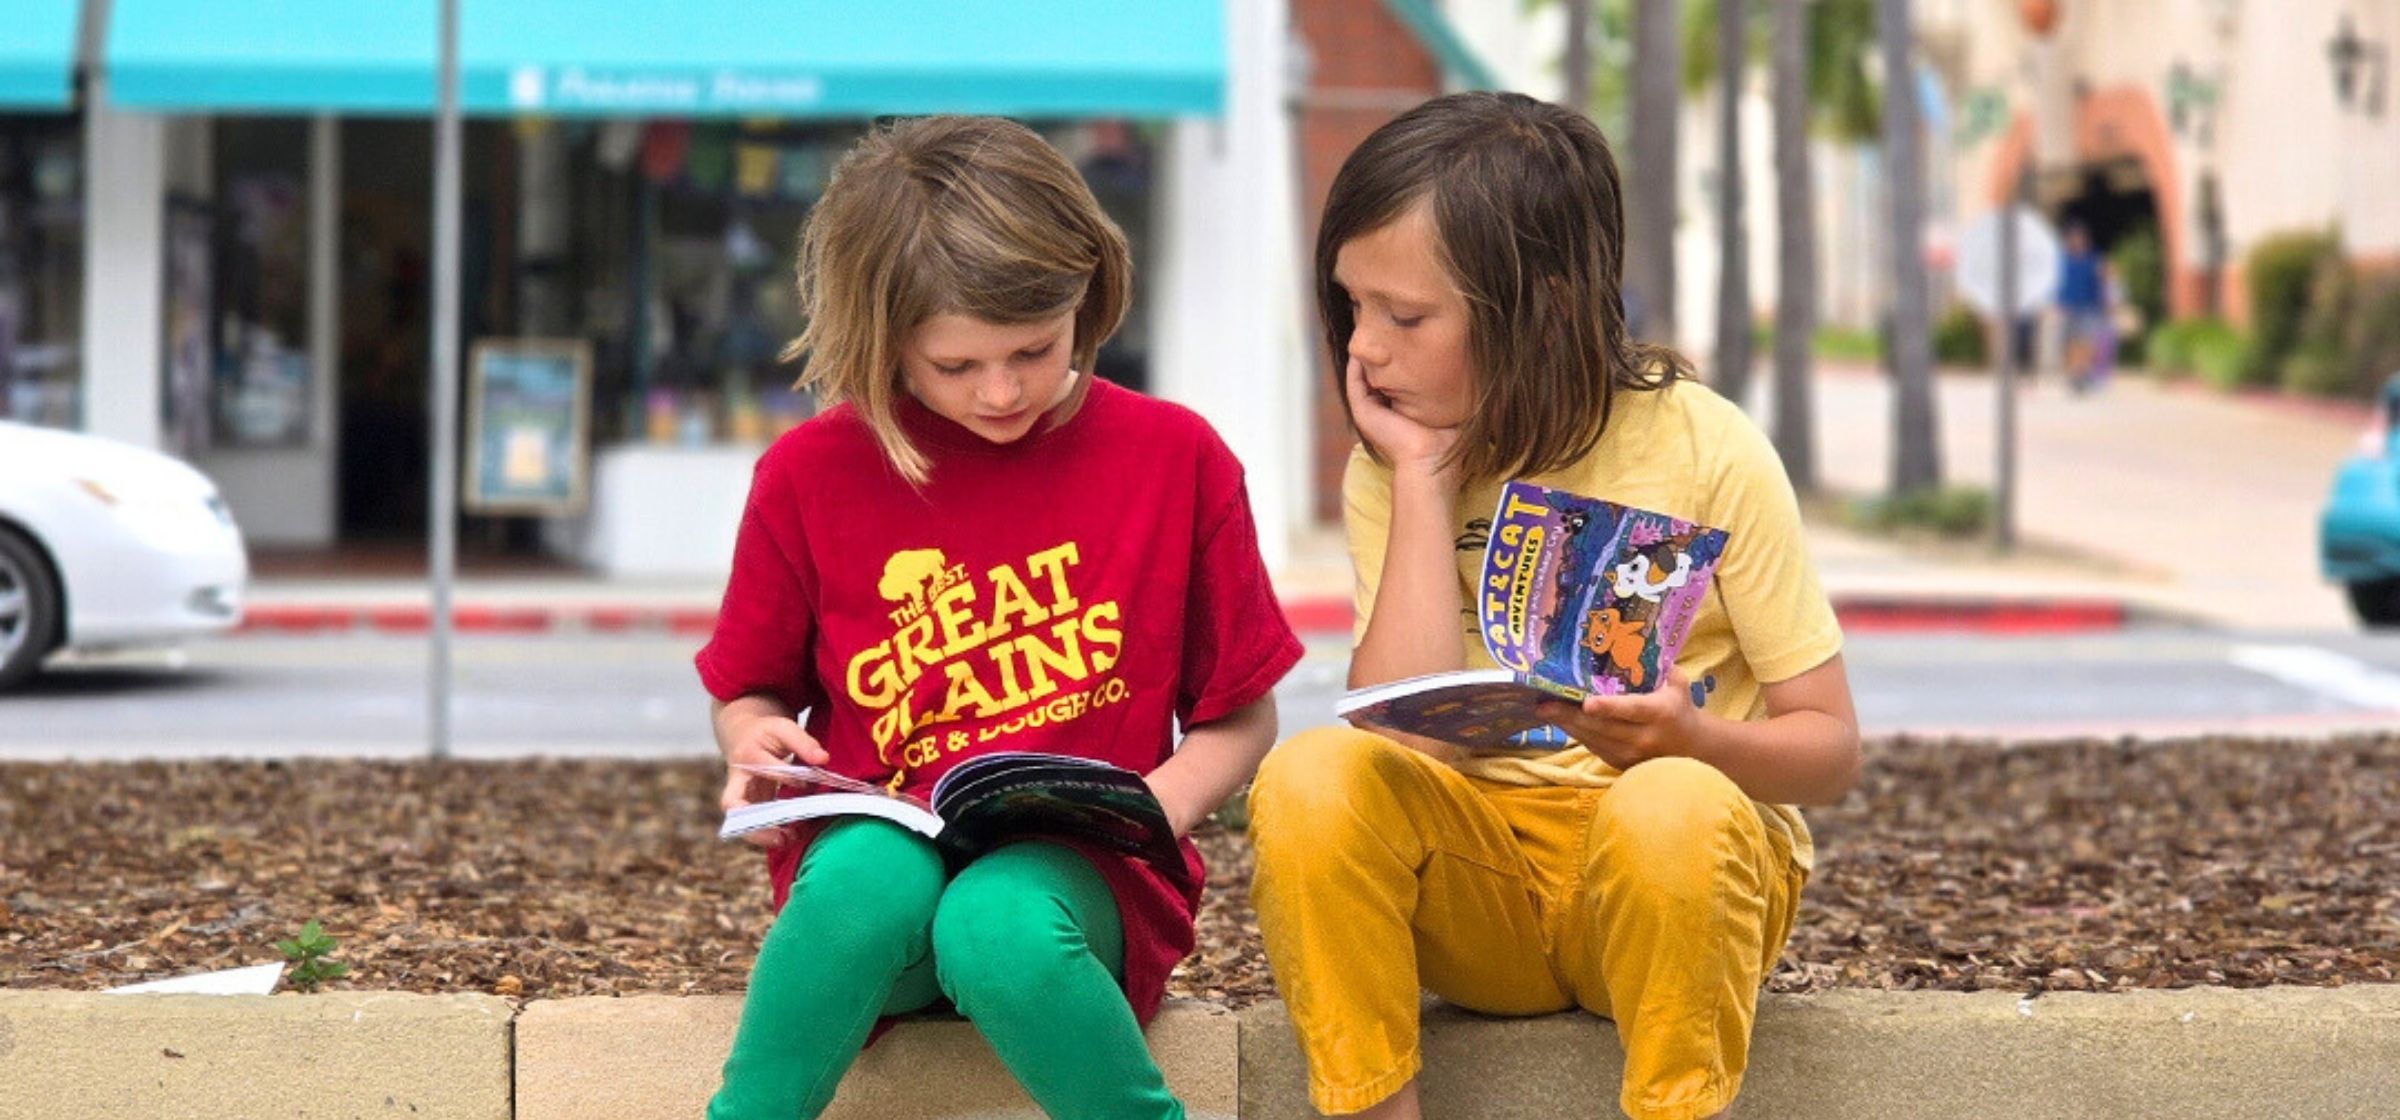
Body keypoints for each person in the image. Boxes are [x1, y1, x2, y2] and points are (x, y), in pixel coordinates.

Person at [1246, 91, 1862, 1120]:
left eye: (1404, 317)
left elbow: (1831, 749)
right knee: (1312, 771)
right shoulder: (1391, 470)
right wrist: (1423, 478)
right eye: (1352, 306)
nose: (1364, 348)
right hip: (1489, 885)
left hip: (1675, 886)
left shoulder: (1707, 449)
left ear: (1547, 308)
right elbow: (1408, 744)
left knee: (1671, 801)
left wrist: (1693, 739)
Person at [696, 115, 1302, 1120]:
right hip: (878, 861)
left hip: (1081, 884)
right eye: (956, 365)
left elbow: (1244, 710)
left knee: (998, 923)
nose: (1003, 389)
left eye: (1034, 348)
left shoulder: (1174, 458)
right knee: (867, 886)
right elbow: (750, 686)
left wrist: (1162, 803)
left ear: (1087, 295)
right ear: (882, 338)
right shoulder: (809, 474)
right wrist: (751, 735)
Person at [2057, 224, 2112, 392]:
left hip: (2090, 307)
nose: (2077, 241)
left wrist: (2107, 301)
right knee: (2071, 342)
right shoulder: (2062, 261)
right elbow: (2056, 285)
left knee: (2087, 342)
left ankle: (2083, 372)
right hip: (2068, 307)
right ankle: (2074, 374)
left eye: (2079, 238)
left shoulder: (2093, 259)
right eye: (2073, 238)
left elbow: (2105, 280)